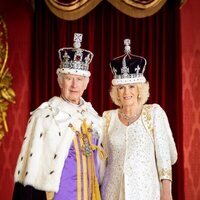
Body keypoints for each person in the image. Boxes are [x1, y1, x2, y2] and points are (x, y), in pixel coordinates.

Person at [12, 33, 106, 200]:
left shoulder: (94, 119)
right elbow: (31, 173)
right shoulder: (45, 117)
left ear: (86, 83)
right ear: (60, 80)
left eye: (79, 79)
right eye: (69, 78)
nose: (74, 85)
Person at [100, 39, 178, 200]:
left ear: (140, 89)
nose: (126, 92)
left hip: (146, 193)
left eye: (131, 86)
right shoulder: (107, 118)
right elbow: (102, 161)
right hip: (112, 193)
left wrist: (166, 192)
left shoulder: (153, 114)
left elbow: (165, 157)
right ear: (116, 91)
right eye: (121, 87)